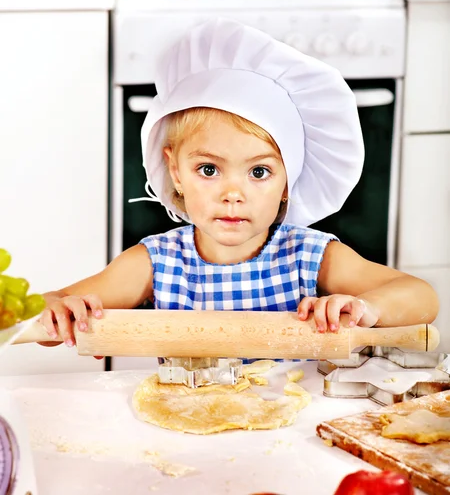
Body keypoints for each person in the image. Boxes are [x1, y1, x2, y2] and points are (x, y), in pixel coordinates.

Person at [39, 18, 439, 349]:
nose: (233, 194)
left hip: (291, 426)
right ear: (176, 172)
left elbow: (422, 297)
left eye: (259, 172)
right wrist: (57, 311)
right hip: (183, 424)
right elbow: (45, 311)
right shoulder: (158, 264)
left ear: (287, 182)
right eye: (209, 170)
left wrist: (367, 307)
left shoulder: (308, 257)